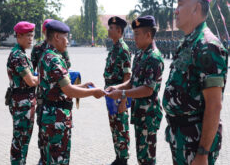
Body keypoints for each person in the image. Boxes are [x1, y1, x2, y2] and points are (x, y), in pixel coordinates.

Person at [162, 0, 228, 165]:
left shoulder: (207, 46)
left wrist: (203, 153)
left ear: (196, 8)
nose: (176, 11)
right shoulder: (189, 43)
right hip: (182, 138)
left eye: (181, 4)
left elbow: (214, 105)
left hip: (195, 143)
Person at [37, 20, 105, 165]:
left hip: (49, 117)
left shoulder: (46, 55)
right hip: (56, 120)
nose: (67, 41)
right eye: (66, 37)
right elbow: (68, 90)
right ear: (56, 37)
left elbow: (59, 87)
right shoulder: (54, 59)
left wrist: (84, 86)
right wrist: (93, 93)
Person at [107, 15, 164, 165]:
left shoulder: (154, 57)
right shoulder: (140, 55)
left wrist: (122, 94)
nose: (134, 37)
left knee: (147, 159)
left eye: (137, 34)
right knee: (141, 156)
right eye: (134, 34)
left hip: (149, 115)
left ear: (148, 35)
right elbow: (132, 82)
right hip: (140, 113)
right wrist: (116, 87)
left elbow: (147, 90)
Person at [6, 21, 39, 164]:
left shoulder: (21, 53)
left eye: (32, 35)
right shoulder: (18, 55)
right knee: (20, 141)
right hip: (22, 103)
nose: (31, 39)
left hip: (23, 101)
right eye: (27, 36)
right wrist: (49, 76)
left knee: (22, 140)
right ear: (19, 36)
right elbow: (31, 81)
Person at [103, 16, 131, 165]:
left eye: (112, 28)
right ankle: (118, 156)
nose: (109, 30)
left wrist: (124, 100)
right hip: (111, 95)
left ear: (119, 31)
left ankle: (123, 159)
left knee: (121, 127)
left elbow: (127, 76)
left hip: (119, 95)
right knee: (114, 127)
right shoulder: (114, 48)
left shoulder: (123, 49)